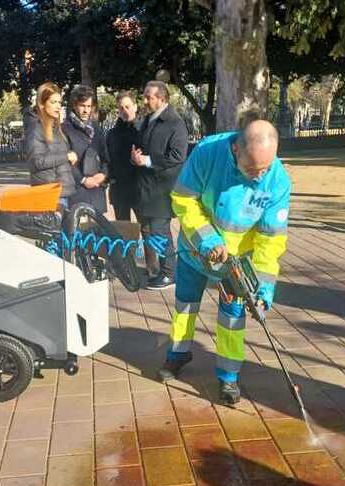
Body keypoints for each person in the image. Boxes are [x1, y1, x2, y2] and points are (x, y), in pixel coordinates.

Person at [159, 119, 291, 405]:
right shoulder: (207, 153)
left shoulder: (277, 180)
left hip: (236, 264)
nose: (259, 177)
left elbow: (271, 239)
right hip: (197, 249)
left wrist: (262, 289)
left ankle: (229, 376)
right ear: (235, 149)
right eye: (253, 169)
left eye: (265, 169)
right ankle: (178, 353)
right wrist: (209, 241)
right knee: (185, 304)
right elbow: (183, 200)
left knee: (233, 316)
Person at [130, 80, 188, 290]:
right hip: (145, 187)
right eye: (145, 96)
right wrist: (135, 156)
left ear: (162, 98)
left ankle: (169, 273)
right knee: (153, 231)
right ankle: (162, 270)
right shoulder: (148, 119)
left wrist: (146, 160)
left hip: (162, 188)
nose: (145, 100)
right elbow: (141, 147)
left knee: (160, 231)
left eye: (149, 97)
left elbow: (177, 156)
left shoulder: (175, 122)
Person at [23, 82, 77, 206]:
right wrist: (66, 157)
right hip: (50, 195)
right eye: (53, 102)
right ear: (42, 104)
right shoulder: (36, 128)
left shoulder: (55, 128)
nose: (58, 106)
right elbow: (35, 162)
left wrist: (69, 156)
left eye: (59, 102)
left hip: (63, 193)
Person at [62, 85, 108, 212]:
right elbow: (64, 162)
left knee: (98, 231)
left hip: (97, 193)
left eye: (89, 106)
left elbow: (105, 158)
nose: (86, 110)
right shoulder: (64, 129)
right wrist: (83, 180)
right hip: (77, 193)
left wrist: (103, 175)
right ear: (74, 105)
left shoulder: (97, 129)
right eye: (82, 106)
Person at [106, 91, 141, 221]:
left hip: (140, 190)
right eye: (121, 108)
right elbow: (107, 160)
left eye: (128, 106)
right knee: (124, 233)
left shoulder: (145, 130)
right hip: (119, 191)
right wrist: (109, 178)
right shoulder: (111, 134)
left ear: (135, 106)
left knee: (147, 231)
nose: (124, 111)